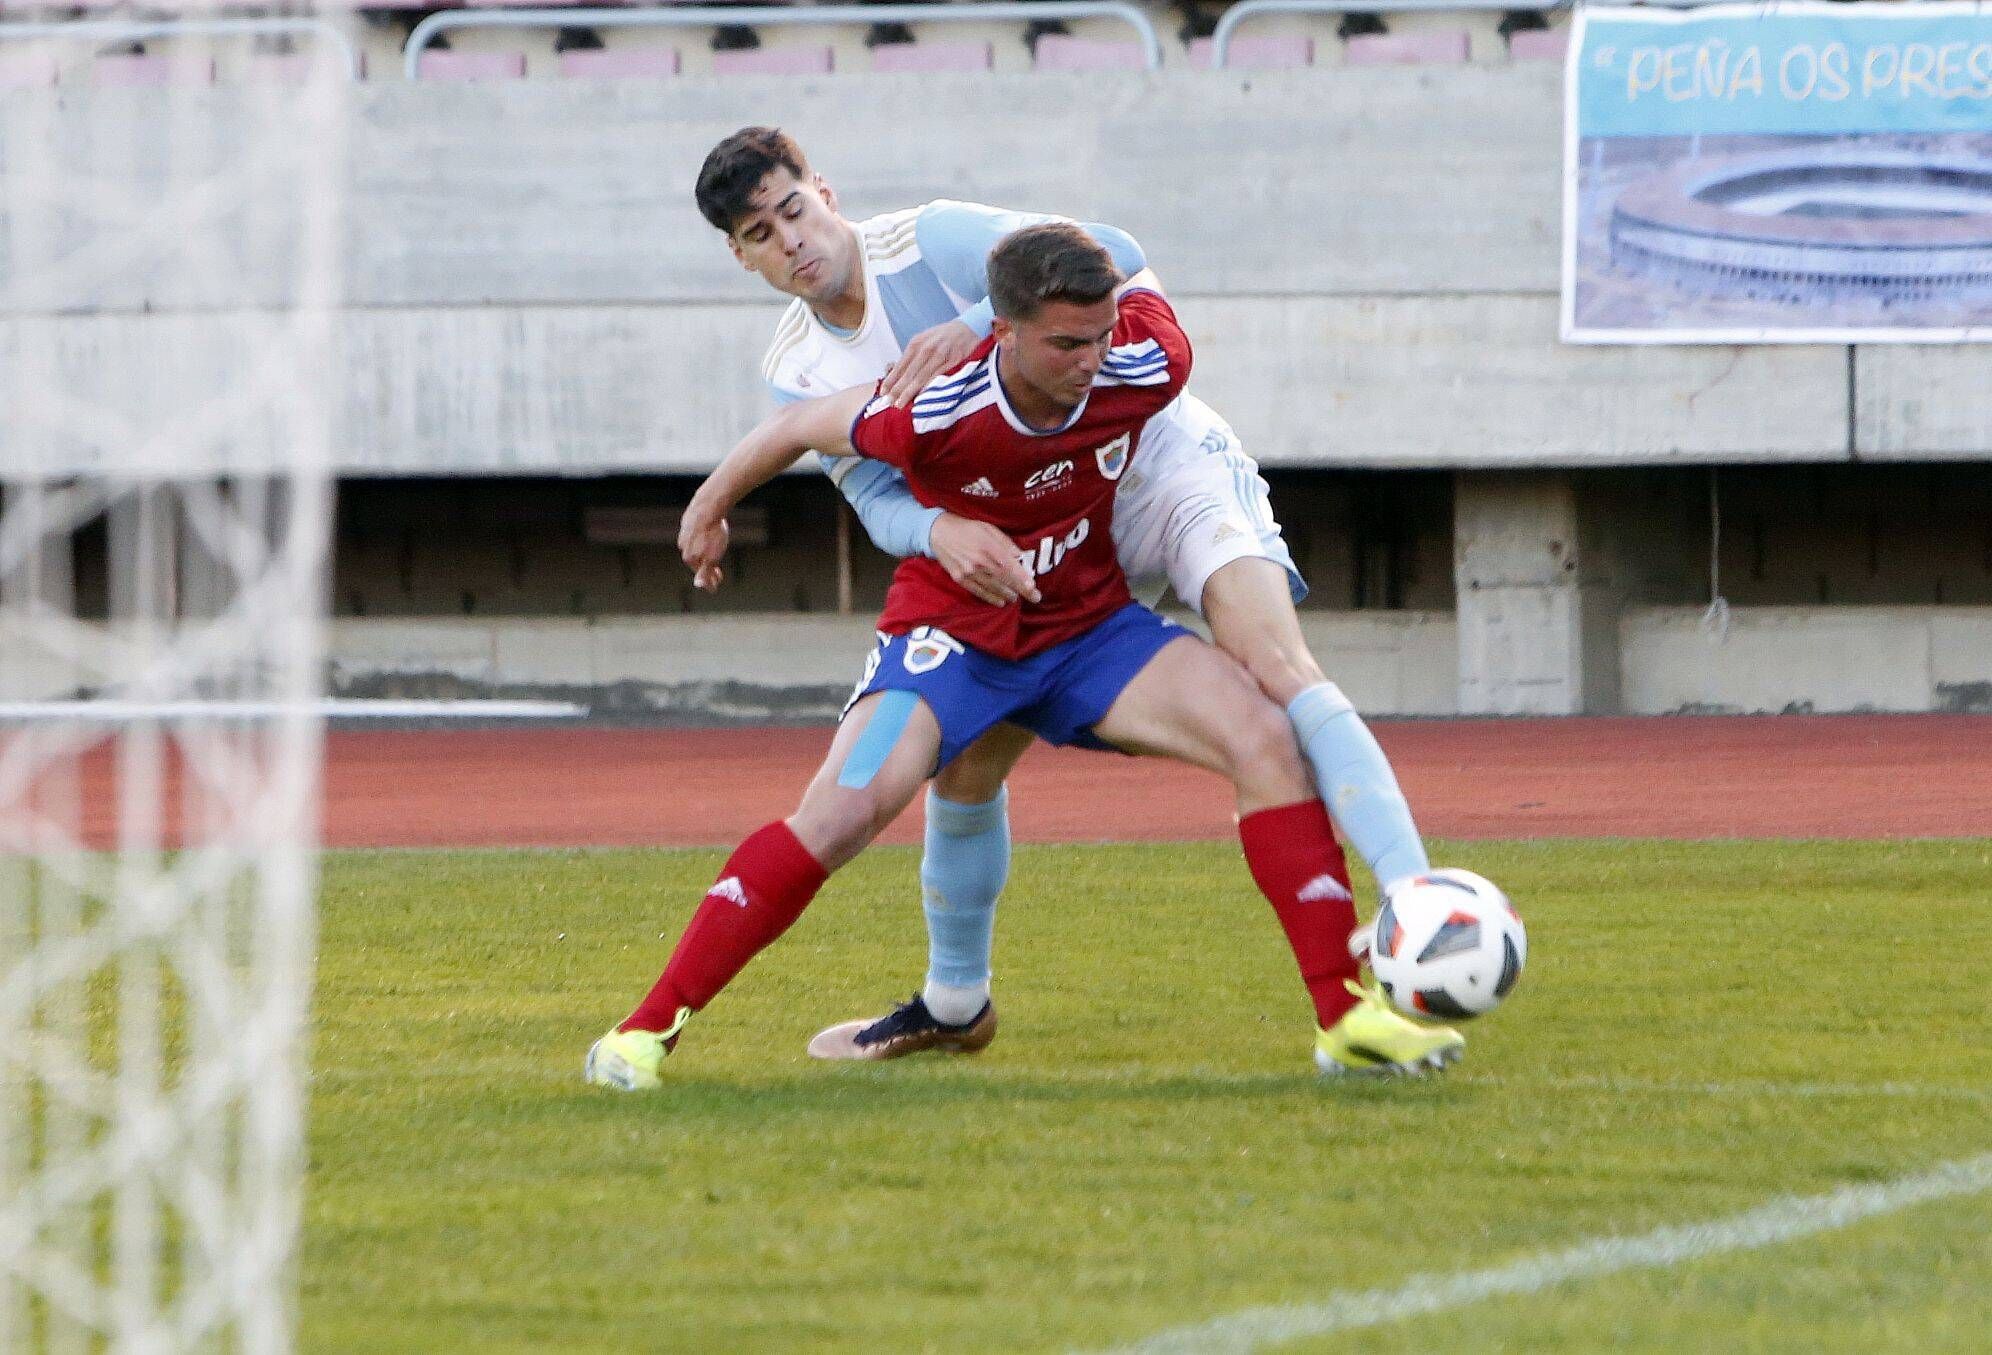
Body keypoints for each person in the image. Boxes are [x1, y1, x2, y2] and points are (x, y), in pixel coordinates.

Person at [584, 225, 1463, 1090]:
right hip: (951, 642)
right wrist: (708, 506)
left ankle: (1347, 1021)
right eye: (1067, 343)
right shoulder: (933, 415)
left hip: (1087, 631)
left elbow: (1126, 251)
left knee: (1268, 740)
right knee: (841, 815)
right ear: (1002, 332)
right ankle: (644, 1031)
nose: (1092, 360)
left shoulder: (1146, 359)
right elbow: (799, 425)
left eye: (1102, 334)